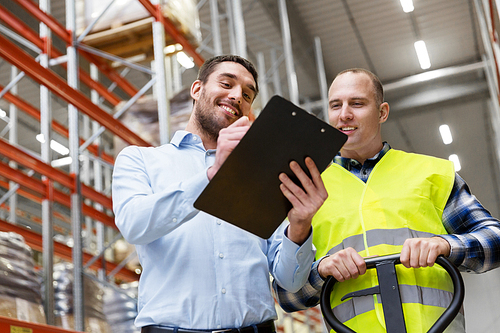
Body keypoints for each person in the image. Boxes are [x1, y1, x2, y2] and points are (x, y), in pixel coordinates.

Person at [112, 55, 328, 333]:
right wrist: (213, 176)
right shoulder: (140, 159)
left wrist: (300, 224)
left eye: (248, 94)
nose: (237, 95)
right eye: (226, 83)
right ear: (197, 89)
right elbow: (134, 225)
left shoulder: (263, 174)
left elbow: (291, 281)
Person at [273, 68, 500, 332]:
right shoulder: (306, 188)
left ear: (382, 112)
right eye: (336, 105)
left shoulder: (432, 173)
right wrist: (321, 269)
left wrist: (445, 245)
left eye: (357, 103)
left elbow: (494, 239)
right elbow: (287, 296)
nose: (344, 114)